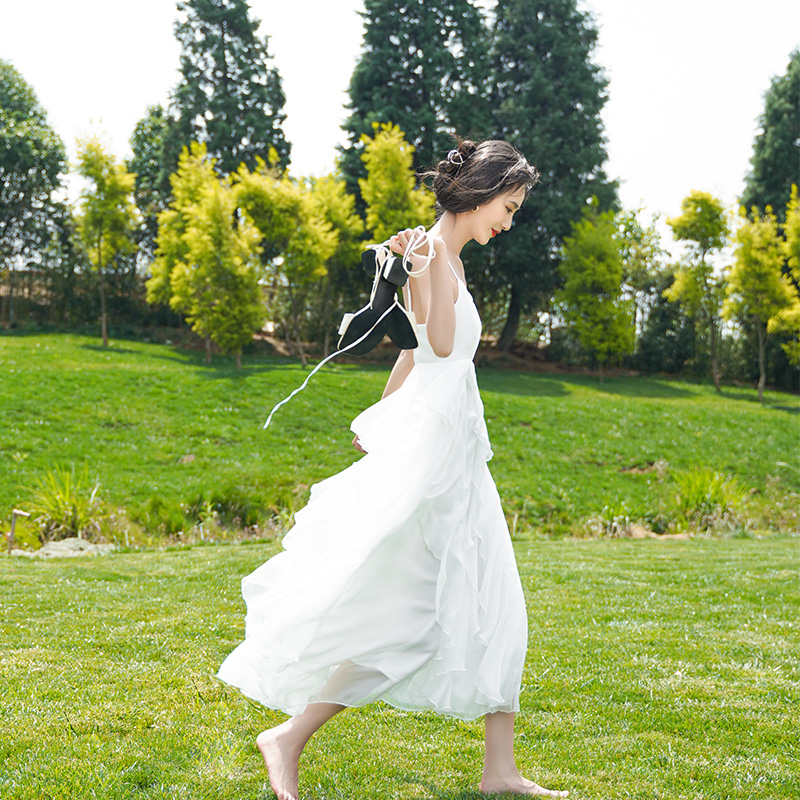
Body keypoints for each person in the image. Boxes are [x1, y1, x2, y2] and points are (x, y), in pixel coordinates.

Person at [215, 139, 568, 800]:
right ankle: (288, 737)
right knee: (408, 615)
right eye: (509, 207)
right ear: (481, 190)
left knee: (492, 597)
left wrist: (378, 421)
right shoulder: (432, 254)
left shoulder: (444, 257)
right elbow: (436, 342)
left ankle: (500, 770)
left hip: (456, 450)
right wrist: (419, 268)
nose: (509, 221)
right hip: (441, 459)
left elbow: (412, 355)